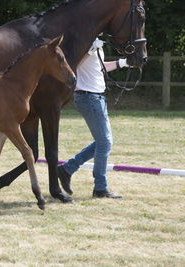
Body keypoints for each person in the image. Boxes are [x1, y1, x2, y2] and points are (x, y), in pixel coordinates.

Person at [57, 38, 129, 199]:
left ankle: (67, 169)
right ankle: (100, 188)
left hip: (96, 97)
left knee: (103, 142)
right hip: (88, 97)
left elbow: (100, 68)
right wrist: (91, 50)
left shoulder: (96, 44)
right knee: (105, 142)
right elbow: (73, 65)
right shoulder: (85, 42)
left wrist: (123, 63)